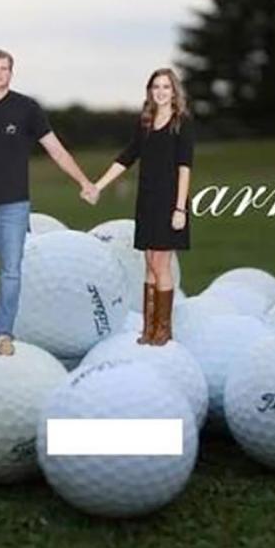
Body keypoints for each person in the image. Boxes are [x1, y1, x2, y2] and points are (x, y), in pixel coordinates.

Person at [0, 49, 98, 358]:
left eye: (5, 69)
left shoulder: (26, 108)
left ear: (11, 73)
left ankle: (3, 333)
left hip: (15, 206)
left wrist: (83, 181)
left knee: (11, 272)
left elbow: (56, 150)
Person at [90, 67, 195, 345]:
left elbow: (185, 168)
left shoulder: (181, 122)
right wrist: (98, 186)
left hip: (170, 202)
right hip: (147, 200)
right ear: (150, 92)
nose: (160, 92)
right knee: (149, 262)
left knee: (162, 264)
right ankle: (148, 329)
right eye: (156, 87)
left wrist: (180, 209)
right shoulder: (146, 122)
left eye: (166, 87)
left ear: (174, 92)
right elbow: (127, 157)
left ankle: (163, 329)